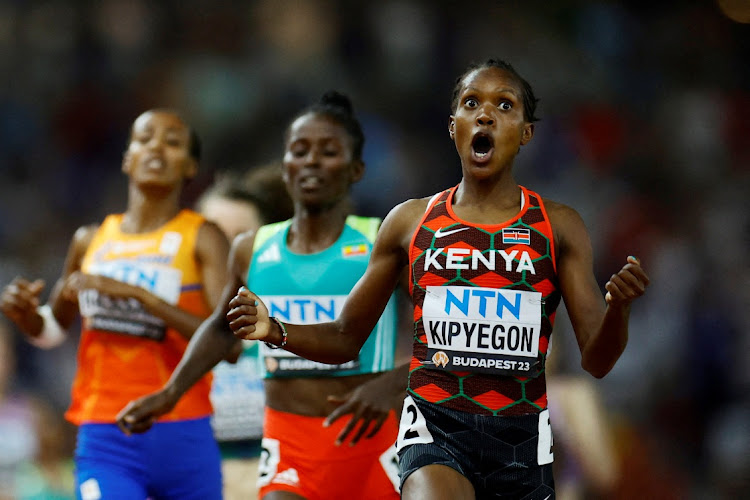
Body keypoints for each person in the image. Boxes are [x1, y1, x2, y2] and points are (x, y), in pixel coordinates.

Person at [225, 59, 650, 499]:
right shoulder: (410, 222)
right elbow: (345, 335)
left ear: (526, 132)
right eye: (471, 103)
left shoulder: (559, 226)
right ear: (454, 126)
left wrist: (619, 308)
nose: (485, 114)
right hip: (435, 429)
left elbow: (597, 361)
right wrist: (276, 330)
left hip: (521, 440)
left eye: (504, 105)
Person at [117, 91, 408, 500]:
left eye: (328, 152)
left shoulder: (381, 240)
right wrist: (171, 392)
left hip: (369, 441)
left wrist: (395, 382)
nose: (311, 161)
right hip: (290, 440)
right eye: (300, 150)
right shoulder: (253, 249)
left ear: (356, 168)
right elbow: (221, 329)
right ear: (286, 166)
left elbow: (441, 336)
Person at [0, 109, 230, 500]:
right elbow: (54, 328)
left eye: (172, 142)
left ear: (190, 166)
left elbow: (228, 340)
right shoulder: (91, 240)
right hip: (106, 432)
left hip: (182, 431)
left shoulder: (204, 238)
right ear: (127, 157)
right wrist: (29, 319)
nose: (156, 147)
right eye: (144, 139)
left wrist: (140, 296)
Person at [196, 164, 293, 500]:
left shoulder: (295, 324)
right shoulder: (170, 326)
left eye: (239, 236)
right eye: (213, 233)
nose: (225, 250)